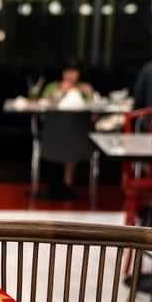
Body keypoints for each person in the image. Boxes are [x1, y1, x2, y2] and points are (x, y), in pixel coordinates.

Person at [39, 60, 94, 199]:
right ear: (62, 73)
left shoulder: (85, 88)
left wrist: (86, 93)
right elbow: (42, 104)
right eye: (67, 71)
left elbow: (94, 108)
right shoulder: (53, 87)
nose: (70, 75)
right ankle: (55, 183)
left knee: (74, 139)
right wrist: (60, 93)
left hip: (77, 136)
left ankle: (68, 181)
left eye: (74, 72)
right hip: (54, 136)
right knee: (60, 140)